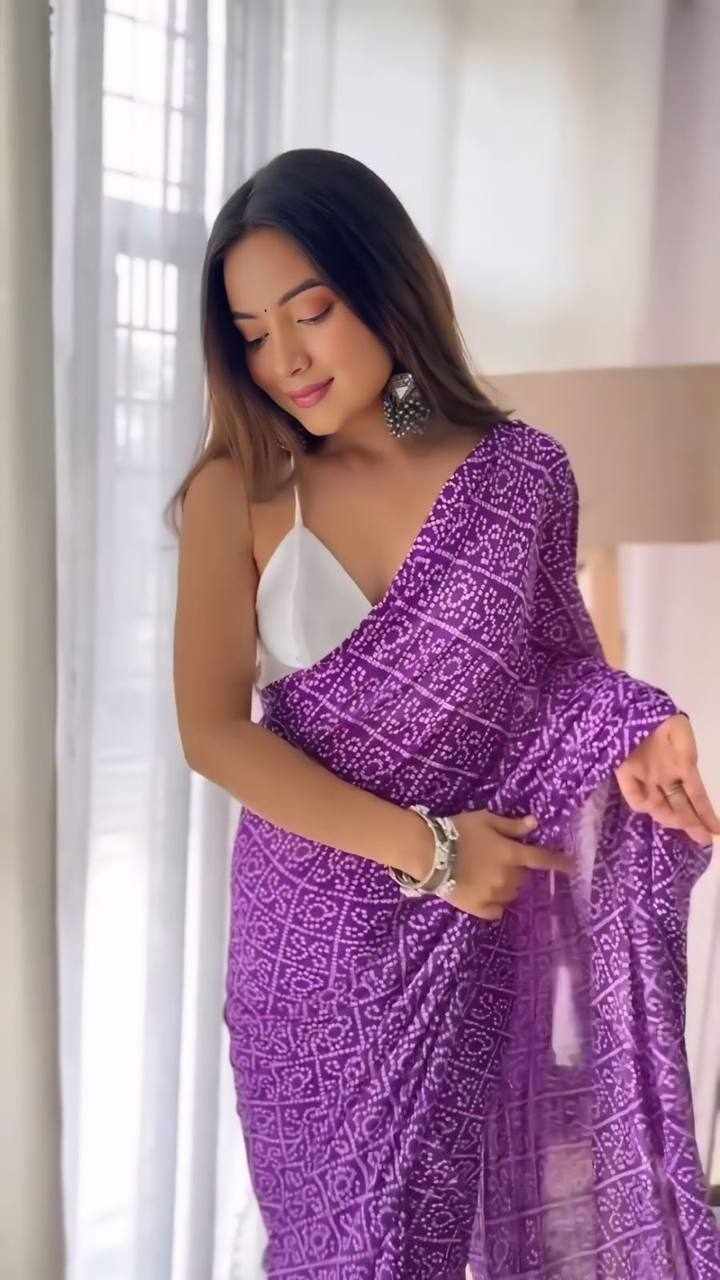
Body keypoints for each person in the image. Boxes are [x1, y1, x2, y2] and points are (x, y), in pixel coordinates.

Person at [166, 149, 720, 1278]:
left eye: (311, 312)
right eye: (253, 333)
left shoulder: (521, 475)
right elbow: (212, 732)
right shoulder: (242, 487)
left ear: (386, 284)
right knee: (334, 1248)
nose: (286, 358)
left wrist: (641, 719)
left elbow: (550, 679)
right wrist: (435, 852)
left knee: (432, 1230)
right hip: (310, 941)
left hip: (468, 930)